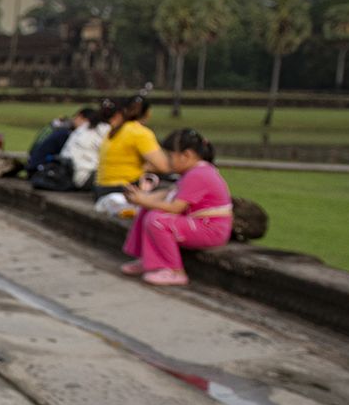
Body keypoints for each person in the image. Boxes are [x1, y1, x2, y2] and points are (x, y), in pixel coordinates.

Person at [119, 128, 232, 286]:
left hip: (210, 228)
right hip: (199, 224)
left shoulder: (199, 174)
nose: (168, 161)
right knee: (147, 210)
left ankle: (174, 270)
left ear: (187, 156)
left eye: (171, 156)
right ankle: (147, 260)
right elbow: (170, 193)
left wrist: (143, 200)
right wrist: (141, 198)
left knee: (157, 220)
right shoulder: (193, 172)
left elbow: (175, 208)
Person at [93, 94, 168, 215]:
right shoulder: (139, 133)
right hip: (124, 190)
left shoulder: (114, 130)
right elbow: (164, 166)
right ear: (148, 113)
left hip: (101, 189)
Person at [27, 105, 95, 189]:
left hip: (35, 166)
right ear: (79, 117)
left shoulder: (61, 128)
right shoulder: (66, 134)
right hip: (39, 171)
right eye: (86, 123)